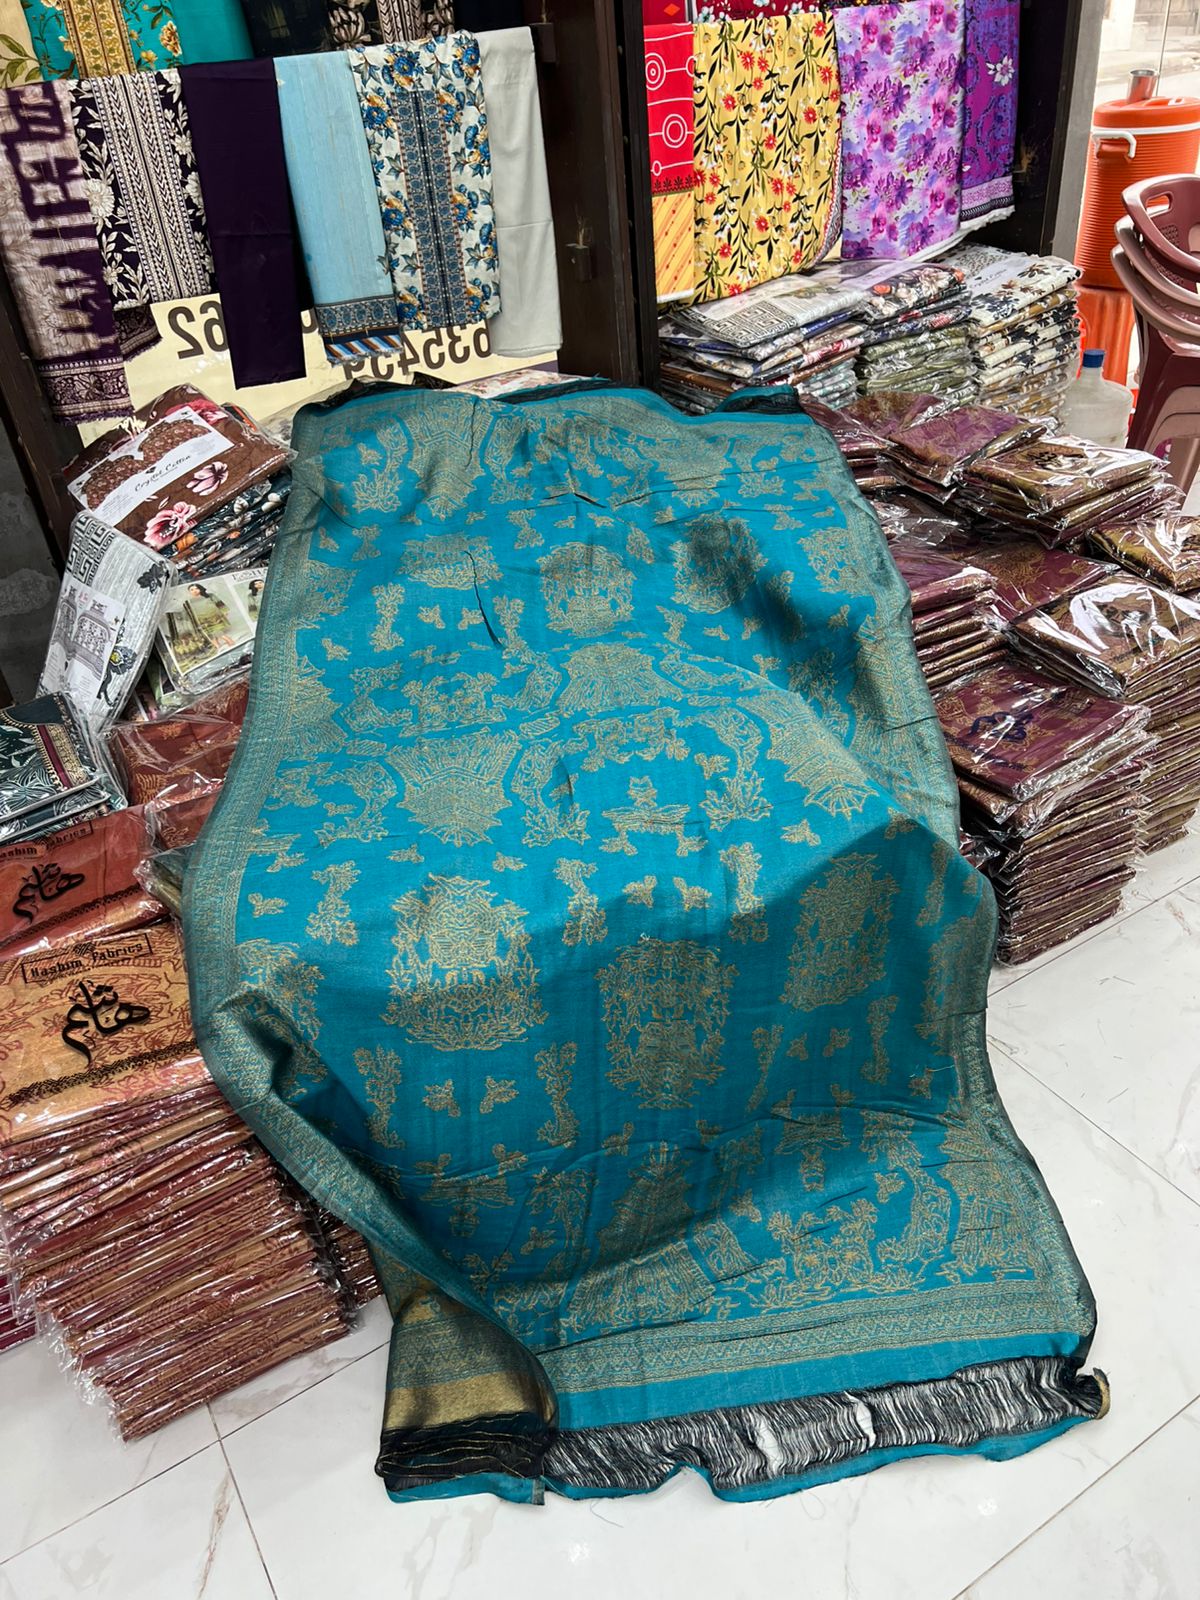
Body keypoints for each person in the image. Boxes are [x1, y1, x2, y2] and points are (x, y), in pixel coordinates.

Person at [187, 584, 236, 651]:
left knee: (216, 630)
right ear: (189, 592)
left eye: (196, 588)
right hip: (202, 620)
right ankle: (217, 645)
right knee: (208, 633)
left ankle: (229, 641)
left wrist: (224, 611)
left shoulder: (210, 596)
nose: (194, 591)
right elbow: (192, 612)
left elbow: (219, 603)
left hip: (214, 617)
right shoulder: (190, 601)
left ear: (200, 589)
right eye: (192, 590)